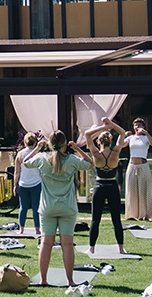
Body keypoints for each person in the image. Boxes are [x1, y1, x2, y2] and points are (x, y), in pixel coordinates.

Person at [19, 130, 91, 287]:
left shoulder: (42, 158)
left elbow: (25, 162)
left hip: (47, 208)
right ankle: (70, 281)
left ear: (50, 144)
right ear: (65, 144)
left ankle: (43, 280)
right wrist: (77, 148)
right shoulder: (72, 160)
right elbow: (90, 164)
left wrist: (38, 148)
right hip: (67, 208)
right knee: (67, 244)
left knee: (46, 243)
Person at [85, 118, 126, 252]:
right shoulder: (115, 152)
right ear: (110, 141)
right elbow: (123, 133)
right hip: (112, 186)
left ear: (99, 141)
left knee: (95, 219)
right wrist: (111, 124)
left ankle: (91, 248)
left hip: (99, 186)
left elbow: (87, 134)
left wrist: (102, 128)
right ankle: (120, 248)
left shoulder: (96, 153)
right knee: (116, 219)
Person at [123, 117, 152, 223]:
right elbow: (121, 145)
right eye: (135, 125)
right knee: (131, 190)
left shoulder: (145, 138)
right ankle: (132, 214)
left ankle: (144, 214)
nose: (137, 127)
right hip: (132, 165)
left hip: (143, 165)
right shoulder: (131, 138)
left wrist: (145, 132)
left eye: (139, 125)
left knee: (143, 190)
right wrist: (123, 135)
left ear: (143, 126)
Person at [15, 132, 43, 235]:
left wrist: (15, 184)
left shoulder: (20, 154)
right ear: (35, 142)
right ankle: (37, 229)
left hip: (23, 183)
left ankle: (21, 229)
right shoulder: (38, 154)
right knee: (36, 207)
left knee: (23, 207)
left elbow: (17, 171)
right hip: (36, 183)